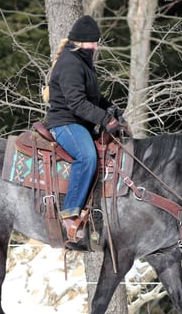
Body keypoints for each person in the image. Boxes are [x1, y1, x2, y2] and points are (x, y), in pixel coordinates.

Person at [45, 15, 127, 243]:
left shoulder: (83, 62)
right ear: (82, 42)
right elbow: (76, 103)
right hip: (65, 123)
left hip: (80, 122)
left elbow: (94, 97)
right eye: (94, 42)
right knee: (87, 156)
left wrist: (111, 109)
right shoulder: (70, 64)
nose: (96, 46)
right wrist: (104, 119)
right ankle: (69, 213)